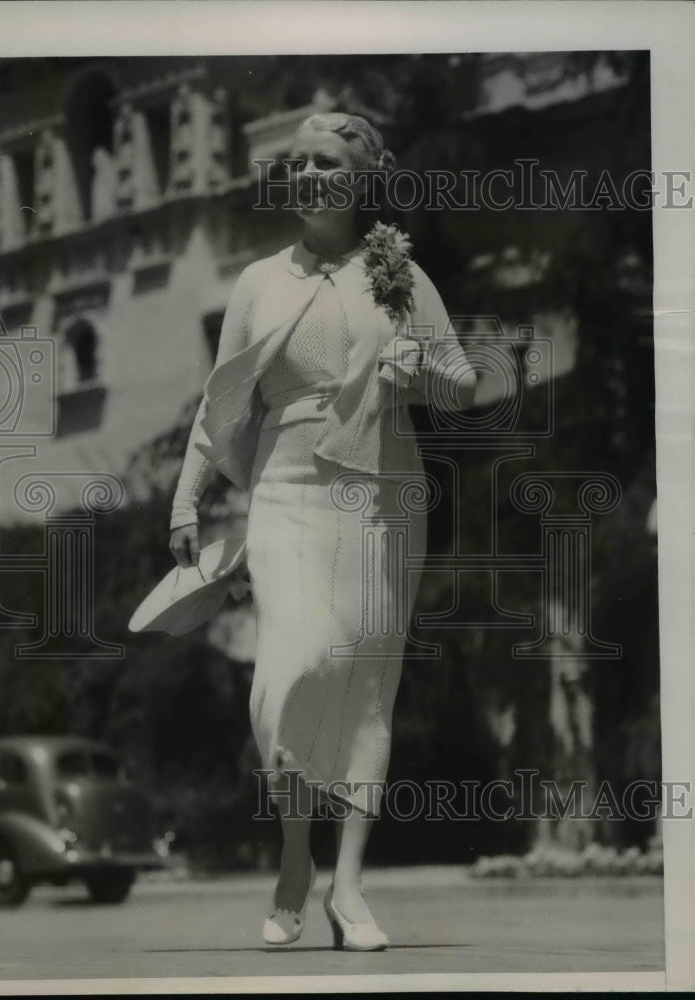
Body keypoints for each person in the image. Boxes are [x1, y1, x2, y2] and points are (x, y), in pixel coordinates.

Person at [169, 113, 477, 951]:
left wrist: (419, 375)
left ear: (362, 176)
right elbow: (220, 400)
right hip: (286, 490)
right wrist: (187, 498)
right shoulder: (259, 281)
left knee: (366, 691)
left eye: (326, 162)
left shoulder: (399, 275)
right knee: (290, 670)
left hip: (382, 493)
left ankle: (347, 887)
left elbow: (463, 383)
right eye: (296, 162)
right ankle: (295, 855)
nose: (306, 174)